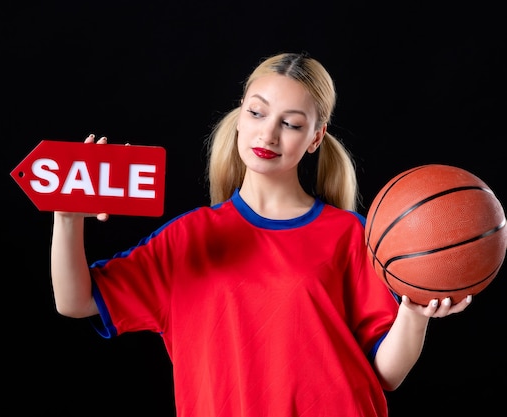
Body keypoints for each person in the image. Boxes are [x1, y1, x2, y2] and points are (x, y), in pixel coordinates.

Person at [50, 51, 471, 417]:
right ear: (239, 117)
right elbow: (76, 301)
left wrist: (413, 316)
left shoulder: (351, 235)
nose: (268, 134)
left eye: (291, 123)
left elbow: (386, 374)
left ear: (315, 138)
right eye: (257, 112)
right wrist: (68, 219)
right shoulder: (190, 237)